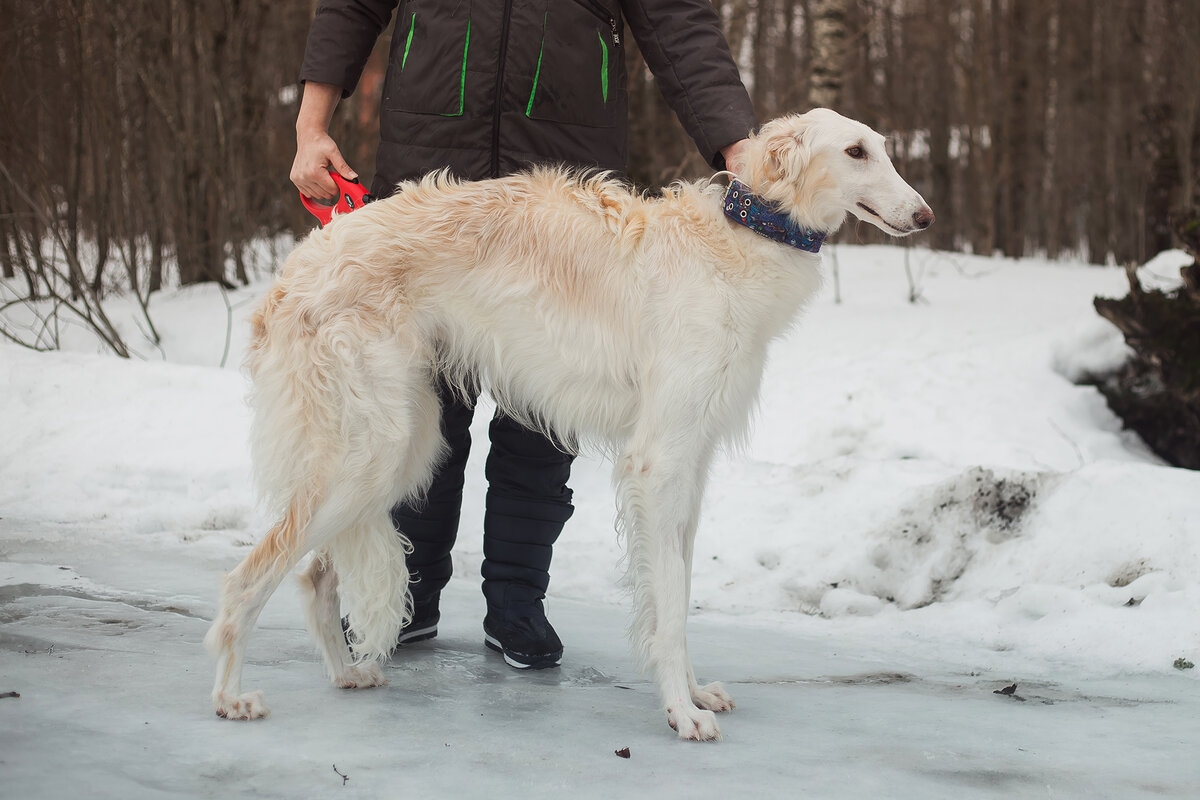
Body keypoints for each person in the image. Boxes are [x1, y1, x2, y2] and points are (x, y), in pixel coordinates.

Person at [291, 0, 757, 670]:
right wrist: (312, 126)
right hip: (432, 162)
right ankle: (410, 594)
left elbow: (679, 20)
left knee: (546, 410)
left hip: (565, 180)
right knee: (422, 396)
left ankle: (517, 600)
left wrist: (735, 139)